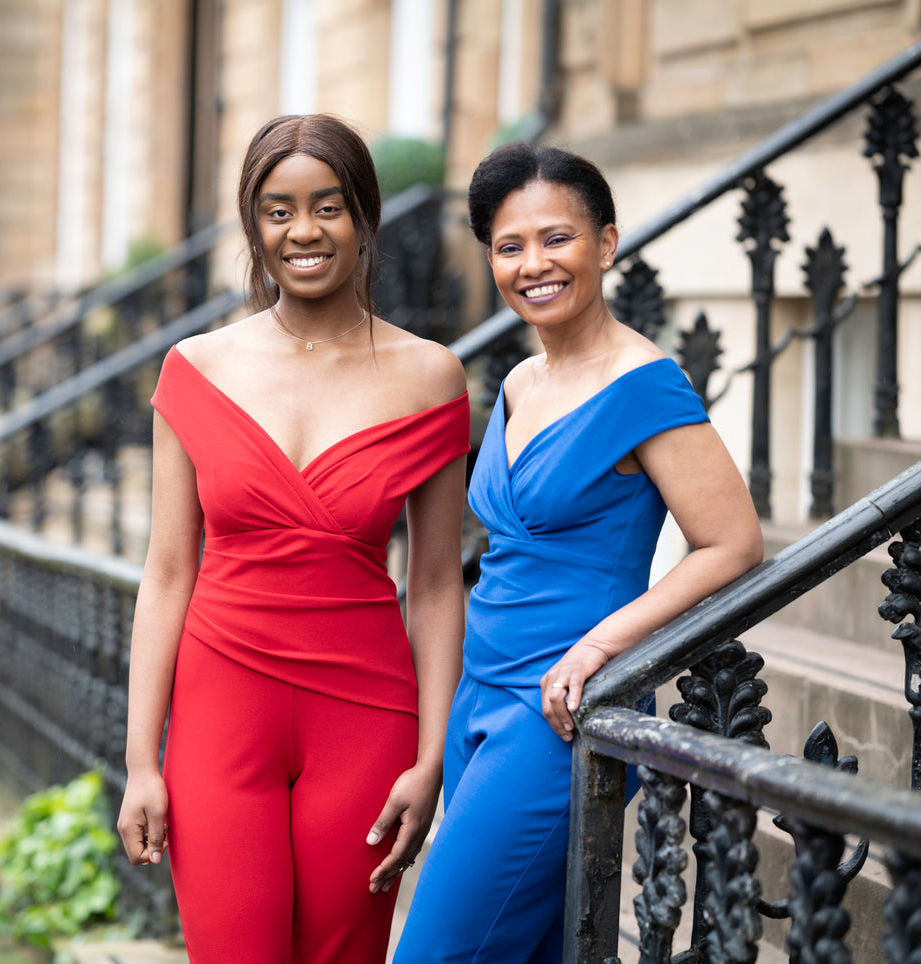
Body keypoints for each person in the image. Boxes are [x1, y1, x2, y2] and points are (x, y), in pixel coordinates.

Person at [392, 143, 764, 964]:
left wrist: (602, 644)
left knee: (434, 951)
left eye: (556, 238)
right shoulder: (522, 381)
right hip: (477, 698)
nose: (533, 264)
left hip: (554, 714)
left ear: (605, 243)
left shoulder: (646, 386)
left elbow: (733, 543)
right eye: (509, 245)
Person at [115, 113, 470, 964]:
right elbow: (166, 574)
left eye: (326, 207)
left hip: (365, 717)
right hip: (219, 709)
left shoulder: (429, 376)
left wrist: (432, 761)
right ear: (253, 224)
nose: (303, 231)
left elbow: (432, 586)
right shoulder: (195, 369)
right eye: (277, 210)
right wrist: (140, 764)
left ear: (363, 219)